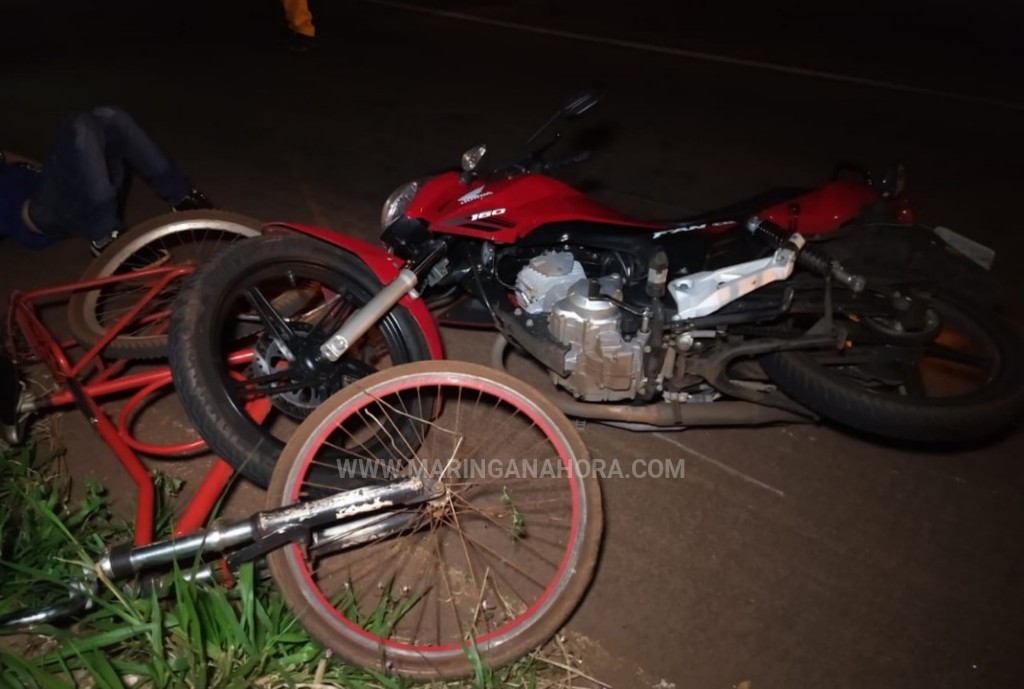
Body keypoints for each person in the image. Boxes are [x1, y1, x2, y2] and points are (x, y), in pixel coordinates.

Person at [1, 105, 212, 255]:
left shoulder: (13, 164)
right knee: (79, 124)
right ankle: (105, 237)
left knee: (111, 116)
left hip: (67, 194)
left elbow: (14, 158)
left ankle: (183, 198)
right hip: (41, 215)